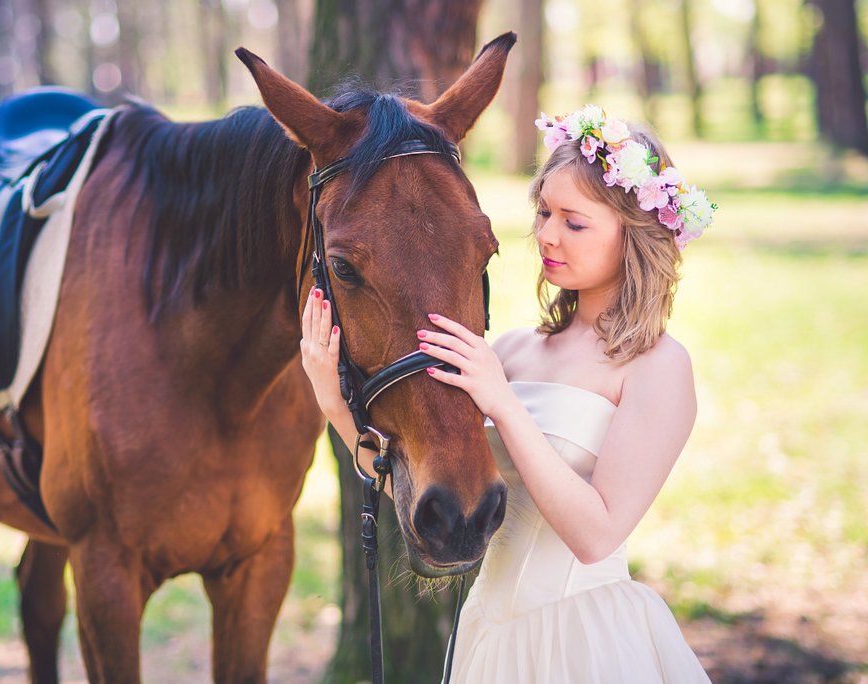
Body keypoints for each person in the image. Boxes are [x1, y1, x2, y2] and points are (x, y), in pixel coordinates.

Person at [300, 105, 715, 682]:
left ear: (633, 234)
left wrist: (502, 402)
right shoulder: (513, 351)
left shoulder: (658, 367)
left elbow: (597, 536)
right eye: (544, 211)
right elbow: (414, 486)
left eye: (574, 222)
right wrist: (333, 403)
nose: (546, 234)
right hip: (490, 640)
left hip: (584, 641)